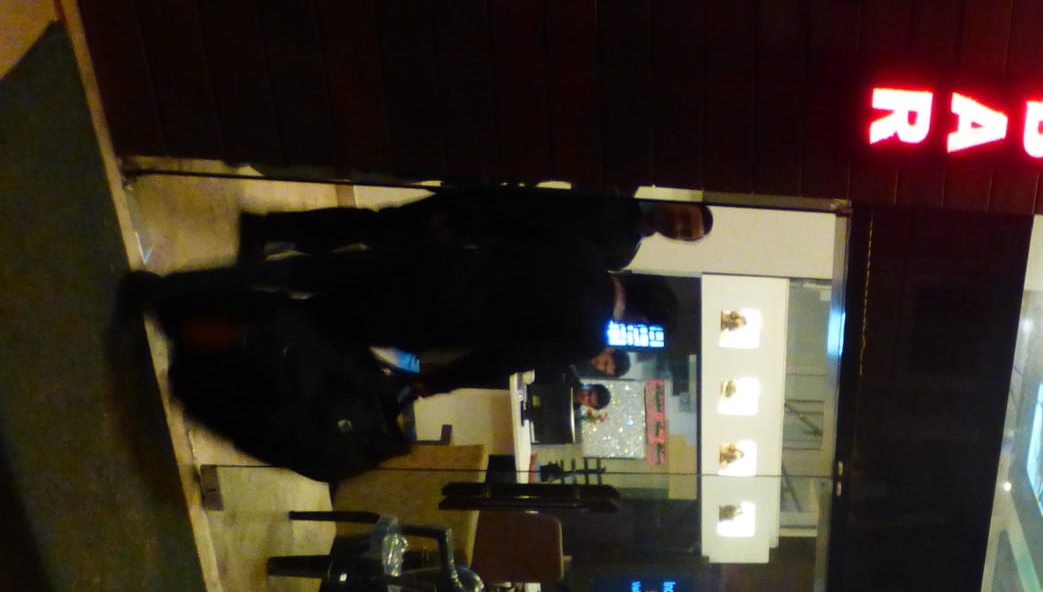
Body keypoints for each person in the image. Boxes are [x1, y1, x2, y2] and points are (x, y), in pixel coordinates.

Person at [134, 238, 685, 394]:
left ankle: (168, 288)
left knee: (294, 272)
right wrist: (436, 381)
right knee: (303, 321)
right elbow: (504, 357)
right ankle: (185, 321)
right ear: (641, 318)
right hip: (429, 317)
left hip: (425, 263)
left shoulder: (582, 253)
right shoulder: (585, 334)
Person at [238, 190, 715, 271]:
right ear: (678, 202)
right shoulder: (614, 192)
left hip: (480, 248)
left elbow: (545, 258)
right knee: (377, 226)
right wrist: (469, 216)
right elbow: (536, 205)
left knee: (376, 244)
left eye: (684, 232)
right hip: (477, 211)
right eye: (683, 217)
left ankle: (281, 239)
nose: (676, 226)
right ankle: (269, 228)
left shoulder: (623, 254)